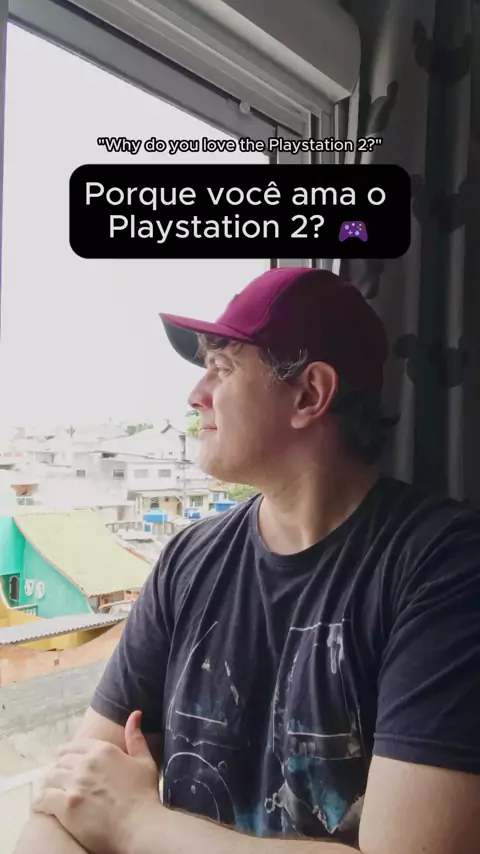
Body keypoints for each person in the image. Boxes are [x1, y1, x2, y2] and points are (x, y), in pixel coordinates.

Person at [15, 267, 480, 854]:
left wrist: (135, 823)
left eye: (223, 367)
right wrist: (110, 816)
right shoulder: (187, 561)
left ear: (309, 395)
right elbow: (70, 800)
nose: (196, 394)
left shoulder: (446, 566)